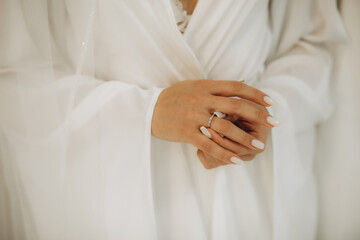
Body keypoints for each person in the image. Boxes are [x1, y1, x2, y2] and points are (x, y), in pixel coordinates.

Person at [0, 0, 346, 239]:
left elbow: (313, 43)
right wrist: (147, 111)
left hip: (252, 199)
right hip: (109, 201)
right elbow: (15, 77)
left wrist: (268, 111)